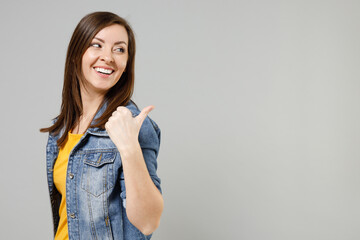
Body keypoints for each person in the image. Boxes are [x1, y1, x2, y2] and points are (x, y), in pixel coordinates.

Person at [40, 11, 163, 240]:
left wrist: (129, 148)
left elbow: (148, 221)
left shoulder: (132, 125)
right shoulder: (61, 130)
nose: (108, 57)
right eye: (97, 45)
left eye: (119, 49)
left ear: (126, 64)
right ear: (77, 54)